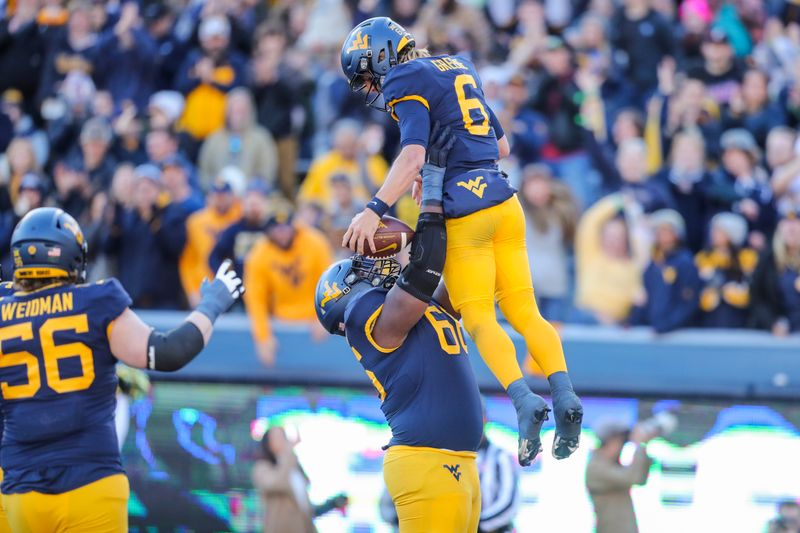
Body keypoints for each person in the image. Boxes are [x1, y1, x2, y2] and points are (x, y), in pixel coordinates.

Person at [340, 16, 582, 466]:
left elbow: (412, 154)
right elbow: (502, 145)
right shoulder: (458, 65)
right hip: (504, 202)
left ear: (382, 57)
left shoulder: (406, 78)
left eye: (370, 75)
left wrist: (374, 208)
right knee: (525, 309)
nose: (374, 87)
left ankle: (526, 400)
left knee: (479, 317)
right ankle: (564, 392)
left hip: (464, 211)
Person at [0, 206, 242, 532]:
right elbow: (169, 352)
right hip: (89, 484)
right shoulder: (95, 300)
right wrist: (213, 303)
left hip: (19, 489)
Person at [314, 124, 483, 532]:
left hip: (458, 461)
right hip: (425, 460)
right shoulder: (369, 321)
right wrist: (430, 203)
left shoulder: (407, 307)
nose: (373, 263)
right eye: (362, 267)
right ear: (345, 293)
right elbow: (423, 272)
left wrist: (448, 198)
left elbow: (457, 276)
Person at [244, 205, 333, 366]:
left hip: (316, 319)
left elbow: (331, 282)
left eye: (286, 228)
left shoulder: (315, 242)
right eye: (277, 229)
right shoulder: (258, 255)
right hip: (281, 320)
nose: (282, 233)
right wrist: (262, 337)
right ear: (269, 231)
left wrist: (324, 317)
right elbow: (255, 299)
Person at [252, 426, 348, 533]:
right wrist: (288, 453)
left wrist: (332, 504)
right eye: (277, 437)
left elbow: (305, 510)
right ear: (267, 443)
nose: (283, 441)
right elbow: (277, 484)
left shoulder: (294, 469)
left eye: (283, 436)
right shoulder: (262, 468)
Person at [635, 209, 701, 333]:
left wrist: (666, 325)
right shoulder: (654, 263)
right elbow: (646, 298)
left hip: (677, 334)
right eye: (657, 230)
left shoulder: (685, 262)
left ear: (676, 233)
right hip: (653, 331)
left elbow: (689, 302)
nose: (660, 234)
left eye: (665, 230)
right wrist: (635, 320)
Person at [585, 419, 656, 533]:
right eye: (622, 441)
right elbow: (633, 477)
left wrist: (644, 444)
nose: (622, 446)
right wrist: (639, 445)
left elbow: (641, 480)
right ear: (611, 441)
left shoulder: (611, 465)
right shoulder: (596, 467)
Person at [695, 212, 758, 328]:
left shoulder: (747, 257)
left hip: (739, 314)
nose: (714, 234)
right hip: (709, 315)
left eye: (719, 231)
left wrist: (730, 292)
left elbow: (753, 288)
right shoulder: (703, 257)